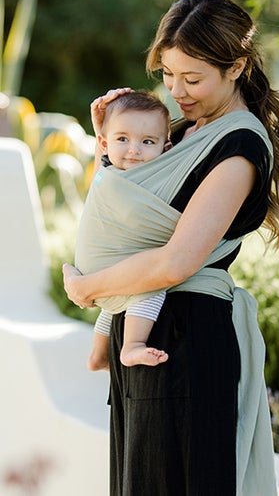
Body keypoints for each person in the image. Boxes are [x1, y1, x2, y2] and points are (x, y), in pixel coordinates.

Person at [63, 0, 279, 496]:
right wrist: (108, 134)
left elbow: (176, 260)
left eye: (193, 79)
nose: (177, 91)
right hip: (145, 333)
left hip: (184, 339)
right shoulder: (178, 133)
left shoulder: (239, 146)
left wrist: (88, 289)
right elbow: (121, 211)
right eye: (168, 75)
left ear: (235, 67)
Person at [77, 91, 173, 371]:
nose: (134, 150)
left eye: (147, 142)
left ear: (165, 150)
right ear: (104, 143)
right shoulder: (134, 179)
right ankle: (132, 345)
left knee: (116, 303)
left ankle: (98, 354)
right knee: (150, 286)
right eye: (123, 139)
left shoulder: (107, 172)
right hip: (106, 264)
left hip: (94, 266)